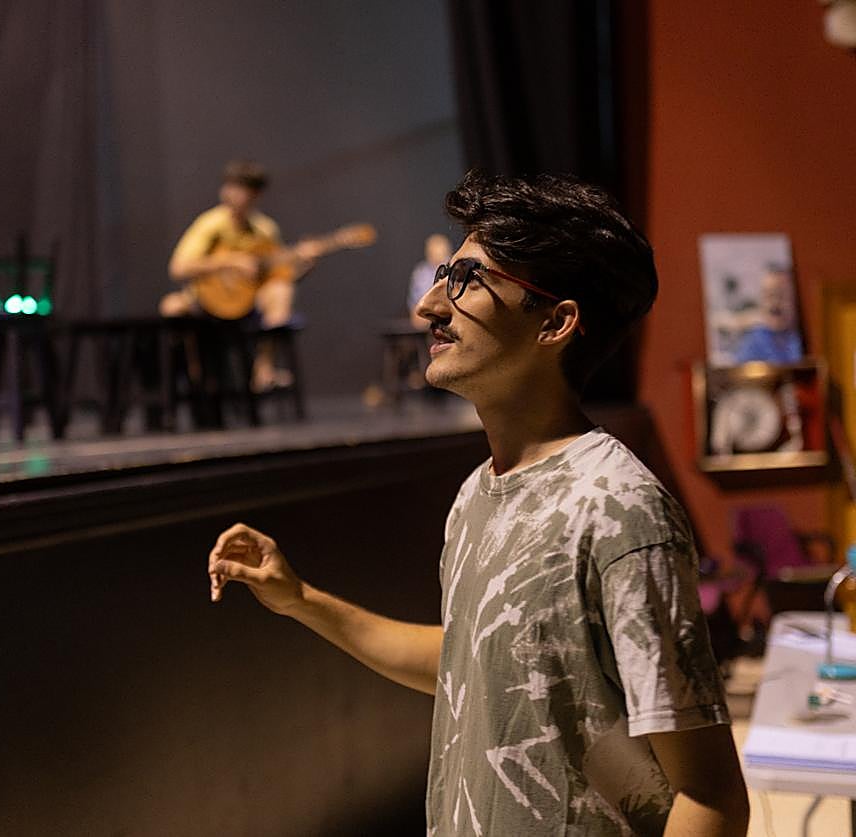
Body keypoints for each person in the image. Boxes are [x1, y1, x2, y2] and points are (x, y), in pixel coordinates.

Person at [206, 170, 749, 836]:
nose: (430, 306)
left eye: (466, 281)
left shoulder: (621, 511)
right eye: (444, 276)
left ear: (556, 322)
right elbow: (472, 661)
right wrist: (301, 599)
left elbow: (711, 794)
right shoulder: (476, 492)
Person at [161, 160, 320, 392]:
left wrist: (303, 264)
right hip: (209, 303)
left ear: (255, 194)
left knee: (281, 291)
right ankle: (188, 379)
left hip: (246, 305)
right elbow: (178, 268)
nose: (232, 194)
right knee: (171, 307)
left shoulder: (265, 229)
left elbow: (280, 275)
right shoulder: (211, 224)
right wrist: (229, 261)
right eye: (230, 186)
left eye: (240, 188)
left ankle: (264, 370)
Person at [408, 233, 454, 330]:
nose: (435, 253)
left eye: (439, 250)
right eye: (432, 250)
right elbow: (415, 304)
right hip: (425, 319)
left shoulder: (454, 271)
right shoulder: (420, 272)